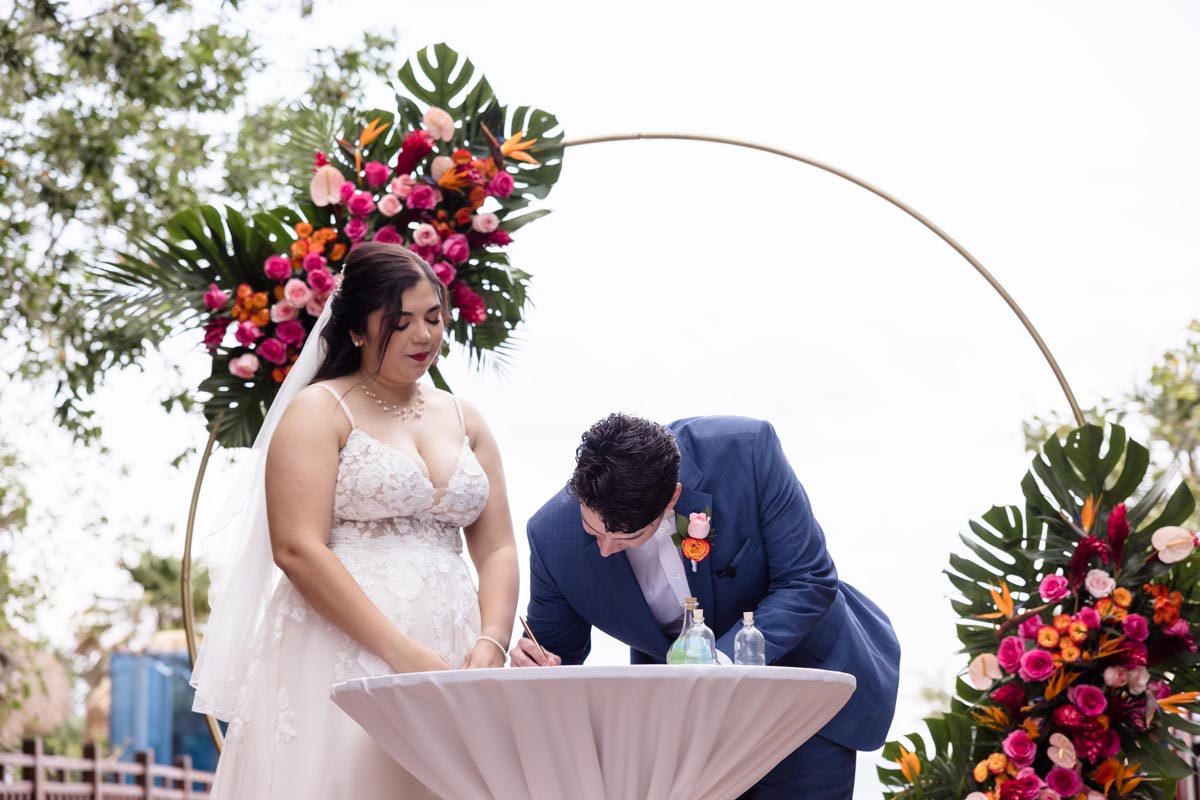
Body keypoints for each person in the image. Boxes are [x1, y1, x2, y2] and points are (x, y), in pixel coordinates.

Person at [191, 242, 519, 799]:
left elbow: (497, 549)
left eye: (433, 317)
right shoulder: (319, 410)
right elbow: (296, 548)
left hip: (456, 649)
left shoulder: (466, 418)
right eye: (401, 323)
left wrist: (492, 639)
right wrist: (399, 652)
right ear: (357, 331)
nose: (424, 335)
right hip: (344, 650)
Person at [511, 413, 900, 799]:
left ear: (672, 498)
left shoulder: (747, 450)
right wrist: (535, 663)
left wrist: (717, 665)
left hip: (800, 698)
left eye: (628, 537)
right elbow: (555, 658)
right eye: (592, 530)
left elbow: (808, 579)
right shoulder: (550, 537)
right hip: (684, 732)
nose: (606, 549)